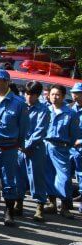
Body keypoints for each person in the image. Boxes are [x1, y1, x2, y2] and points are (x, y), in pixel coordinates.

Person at [0, 68, 29, 225]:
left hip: (8, 148)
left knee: (9, 181)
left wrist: (19, 145)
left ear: (6, 82)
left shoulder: (19, 103)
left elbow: (23, 127)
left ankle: (9, 212)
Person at [18, 81, 53, 222]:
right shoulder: (20, 106)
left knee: (36, 178)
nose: (28, 97)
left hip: (35, 148)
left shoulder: (43, 110)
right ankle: (18, 203)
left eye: (32, 94)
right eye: (27, 93)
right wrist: (20, 144)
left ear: (38, 95)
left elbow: (40, 131)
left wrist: (27, 145)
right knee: (18, 176)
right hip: (19, 148)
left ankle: (39, 206)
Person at [44, 83, 80, 218]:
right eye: (52, 94)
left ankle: (65, 206)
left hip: (61, 148)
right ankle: (52, 203)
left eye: (57, 95)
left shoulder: (71, 113)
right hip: (46, 145)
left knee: (64, 177)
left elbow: (75, 135)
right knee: (48, 175)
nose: (54, 97)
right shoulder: (46, 110)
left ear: (64, 96)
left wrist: (66, 146)